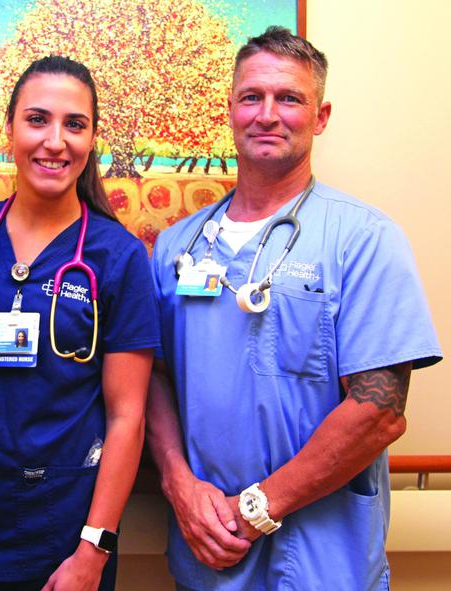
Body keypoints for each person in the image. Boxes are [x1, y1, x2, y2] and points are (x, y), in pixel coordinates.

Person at [147, 27, 442, 591]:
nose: (267, 114)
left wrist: (255, 509)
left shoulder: (364, 239)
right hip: (207, 556)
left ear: (320, 116)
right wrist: (178, 484)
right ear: (230, 110)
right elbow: (153, 379)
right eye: (251, 97)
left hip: (322, 564)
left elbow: (379, 411)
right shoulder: (176, 248)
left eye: (289, 98)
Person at [0, 55, 159, 591]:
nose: (55, 141)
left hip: (66, 534)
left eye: (74, 124)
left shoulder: (118, 257)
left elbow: (128, 416)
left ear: (92, 139)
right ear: (9, 127)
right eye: (37, 119)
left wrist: (93, 551)